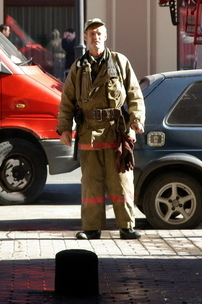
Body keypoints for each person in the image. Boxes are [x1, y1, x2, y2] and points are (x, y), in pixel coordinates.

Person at [56, 18, 145, 240]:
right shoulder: (78, 67)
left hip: (117, 132)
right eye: (91, 34)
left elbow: (134, 93)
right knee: (91, 183)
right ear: (85, 38)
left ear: (105, 36)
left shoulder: (120, 61)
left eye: (99, 33)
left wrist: (136, 119)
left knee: (121, 181)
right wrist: (65, 129)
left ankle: (127, 227)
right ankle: (91, 228)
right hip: (89, 132)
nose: (95, 37)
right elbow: (67, 101)